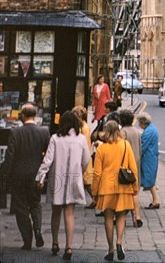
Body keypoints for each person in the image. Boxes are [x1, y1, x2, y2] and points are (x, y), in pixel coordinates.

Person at [36, 110, 91, 261]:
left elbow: (48, 160)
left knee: (56, 212)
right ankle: (69, 246)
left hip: (57, 179)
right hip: (73, 179)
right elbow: (86, 160)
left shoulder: (55, 138)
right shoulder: (81, 139)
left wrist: (41, 177)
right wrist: (80, 170)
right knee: (69, 213)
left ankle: (54, 243)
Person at [1, 103, 50, 250]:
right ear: (34, 115)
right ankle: (38, 229)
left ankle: (27, 240)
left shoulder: (15, 132)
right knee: (35, 204)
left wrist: (5, 175)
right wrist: (43, 175)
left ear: (23, 115)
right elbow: (48, 156)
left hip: (18, 175)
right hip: (36, 175)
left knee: (21, 207)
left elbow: (10, 156)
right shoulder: (44, 132)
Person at [92, 120, 138, 261]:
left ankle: (110, 249)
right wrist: (135, 188)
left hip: (106, 187)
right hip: (123, 186)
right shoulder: (125, 145)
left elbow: (97, 173)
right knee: (121, 217)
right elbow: (133, 167)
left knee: (108, 218)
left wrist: (94, 191)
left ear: (106, 132)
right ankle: (119, 242)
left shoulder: (101, 149)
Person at [120, 109, 143, 227]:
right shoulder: (137, 131)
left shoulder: (122, 132)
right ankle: (137, 217)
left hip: (125, 164)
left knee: (124, 191)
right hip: (136, 163)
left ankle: (120, 218)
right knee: (135, 192)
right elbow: (140, 149)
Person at [72, 105, 95, 209]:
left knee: (87, 181)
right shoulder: (83, 125)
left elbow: (83, 144)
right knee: (85, 180)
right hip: (86, 155)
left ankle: (96, 199)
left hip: (84, 156)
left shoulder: (82, 128)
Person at [137, 112, 160, 209]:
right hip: (151, 157)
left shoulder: (148, 132)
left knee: (147, 179)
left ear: (143, 122)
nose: (138, 124)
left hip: (148, 158)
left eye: (139, 122)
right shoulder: (151, 129)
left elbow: (142, 146)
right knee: (150, 180)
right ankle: (155, 200)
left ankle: (155, 201)